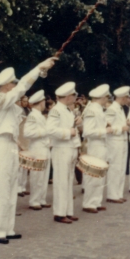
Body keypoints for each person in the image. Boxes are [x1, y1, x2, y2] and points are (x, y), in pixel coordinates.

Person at [0, 57, 58, 244]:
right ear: (6, 85)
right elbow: (22, 89)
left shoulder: (10, 104)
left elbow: (21, 96)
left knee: (10, 189)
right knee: (1, 189)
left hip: (10, 145)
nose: (15, 85)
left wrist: (42, 72)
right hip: (0, 146)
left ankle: (7, 228)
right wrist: (37, 69)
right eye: (13, 83)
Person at [47, 82, 81, 222]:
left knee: (68, 182)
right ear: (68, 96)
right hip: (61, 149)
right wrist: (68, 132)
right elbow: (50, 130)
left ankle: (67, 211)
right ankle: (60, 213)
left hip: (69, 148)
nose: (75, 97)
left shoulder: (67, 110)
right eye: (74, 95)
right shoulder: (56, 110)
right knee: (61, 182)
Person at [82, 84, 111, 213]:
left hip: (101, 144)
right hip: (95, 145)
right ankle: (89, 203)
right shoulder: (92, 110)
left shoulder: (98, 109)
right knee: (93, 175)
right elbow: (87, 131)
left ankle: (96, 201)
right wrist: (105, 130)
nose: (107, 99)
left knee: (100, 175)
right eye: (106, 97)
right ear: (102, 97)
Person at [24, 90, 52, 211]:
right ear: (40, 102)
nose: (45, 103)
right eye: (44, 101)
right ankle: (34, 200)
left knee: (44, 176)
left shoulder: (39, 115)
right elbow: (27, 133)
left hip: (44, 147)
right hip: (36, 147)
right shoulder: (32, 115)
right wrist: (45, 132)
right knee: (37, 176)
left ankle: (41, 199)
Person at [105, 86, 130, 204]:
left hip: (122, 140)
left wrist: (125, 124)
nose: (127, 99)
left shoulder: (120, 108)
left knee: (121, 168)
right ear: (122, 97)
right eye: (126, 97)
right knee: (115, 167)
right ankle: (112, 194)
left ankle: (118, 193)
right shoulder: (112, 109)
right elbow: (107, 126)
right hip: (115, 141)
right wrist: (121, 128)